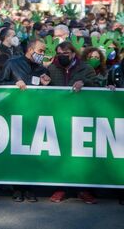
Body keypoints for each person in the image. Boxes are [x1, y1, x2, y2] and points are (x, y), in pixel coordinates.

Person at [0, 38, 51, 202]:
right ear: (30, 50)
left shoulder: (41, 69)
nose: (42, 55)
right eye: (40, 51)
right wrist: (14, 83)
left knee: (31, 153)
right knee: (16, 153)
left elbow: (47, 92)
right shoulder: (12, 63)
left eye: (43, 52)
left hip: (33, 115)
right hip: (14, 114)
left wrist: (46, 84)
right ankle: (17, 188)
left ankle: (29, 189)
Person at [47, 42, 98, 204]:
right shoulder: (51, 69)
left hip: (80, 117)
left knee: (80, 155)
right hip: (58, 117)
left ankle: (83, 189)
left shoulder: (86, 69)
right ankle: (60, 188)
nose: (62, 56)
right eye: (59, 53)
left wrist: (85, 83)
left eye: (65, 53)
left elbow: (98, 85)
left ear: (73, 54)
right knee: (59, 153)